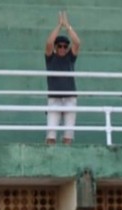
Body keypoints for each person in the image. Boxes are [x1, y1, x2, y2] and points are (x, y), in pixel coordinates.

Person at [44, 11, 81, 146]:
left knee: (68, 136)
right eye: (59, 46)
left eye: (65, 46)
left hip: (70, 98)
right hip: (54, 98)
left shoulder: (70, 57)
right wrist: (59, 26)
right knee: (51, 135)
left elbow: (77, 43)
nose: (62, 48)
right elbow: (48, 43)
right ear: (56, 47)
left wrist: (68, 27)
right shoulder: (50, 58)